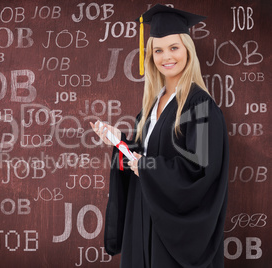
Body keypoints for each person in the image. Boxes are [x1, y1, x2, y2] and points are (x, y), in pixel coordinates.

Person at [90, 4, 229, 268]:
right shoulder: (152, 105)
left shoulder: (200, 107)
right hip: (143, 212)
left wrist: (147, 167)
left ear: (188, 49)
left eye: (174, 47)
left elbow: (200, 171)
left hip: (173, 228)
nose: (166, 56)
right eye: (158, 50)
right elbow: (147, 155)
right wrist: (120, 141)